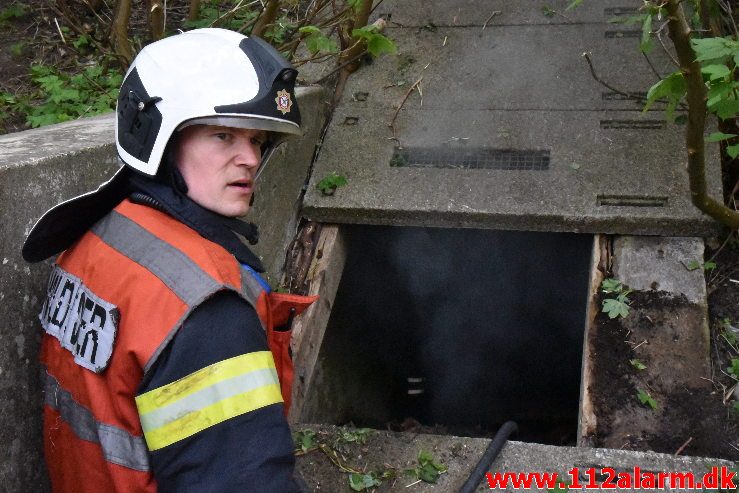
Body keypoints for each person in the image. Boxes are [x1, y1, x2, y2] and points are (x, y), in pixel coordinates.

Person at [22, 28, 316, 492]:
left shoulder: (98, 238)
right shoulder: (208, 313)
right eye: (223, 135)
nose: (250, 159)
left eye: (257, 141)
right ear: (157, 137)